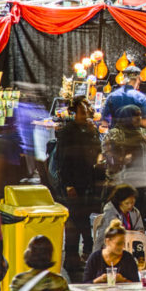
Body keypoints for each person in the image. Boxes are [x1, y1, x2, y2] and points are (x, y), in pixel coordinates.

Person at [51, 95, 101, 269]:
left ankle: (84, 251)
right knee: (74, 220)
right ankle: (73, 256)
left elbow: (96, 151)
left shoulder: (87, 130)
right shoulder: (68, 132)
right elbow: (64, 161)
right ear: (73, 113)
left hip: (85, 181)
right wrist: (68, 185)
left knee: (82, 217)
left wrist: (93, 132)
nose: (85, 116)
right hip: (72, 182)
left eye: (86, 112)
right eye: (81, 112)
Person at [93, 183, 145, 255]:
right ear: (119, 202)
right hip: (113, 245)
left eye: (132, 202)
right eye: (127, 203)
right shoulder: (110, 211)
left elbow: (140, 230)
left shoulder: (135, 212)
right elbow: (113, 233)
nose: (130, 206)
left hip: (131, 244)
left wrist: (139, 233)